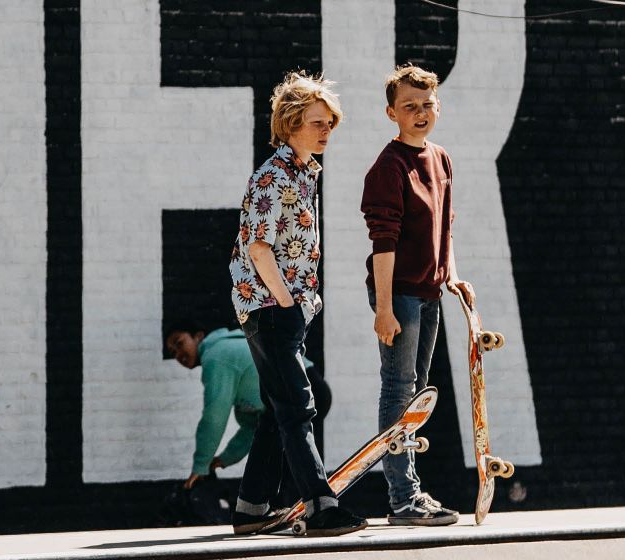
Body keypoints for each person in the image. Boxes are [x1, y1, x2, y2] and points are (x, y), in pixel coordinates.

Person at [225, 71, 365, 537]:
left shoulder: (304, 174)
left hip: (285, 312)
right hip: (270, 309)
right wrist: (286, 303)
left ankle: (250, 508)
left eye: (330, 123)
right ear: (289, 124)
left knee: (282, 405)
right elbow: (259, 247)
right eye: (317, 123)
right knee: (298, 404)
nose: (327, 131)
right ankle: (322, 506)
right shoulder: (272, 176)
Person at [360, 64, 473, 526]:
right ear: (392, 113)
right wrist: (384, 309)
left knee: (416, 396)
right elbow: (382, 243)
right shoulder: (388, 167)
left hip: (429, 293)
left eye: (427, 104)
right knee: (398, 389)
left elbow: (445, 223)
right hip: (400, 295)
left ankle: (410, 491)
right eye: (409, 106)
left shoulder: (440, 158)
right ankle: (403, 498)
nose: (420, 113)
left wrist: (452, 275)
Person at [164, 320, 331, 493]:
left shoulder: (215, 357)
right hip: (306, 388)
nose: (178, 354)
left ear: (198, 336)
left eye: (179, 343)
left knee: (287, 465)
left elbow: (214, 416)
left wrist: (200, 465)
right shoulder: (224, 353)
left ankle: (306, 509)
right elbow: (252, 427)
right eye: (173, 352)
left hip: (301, 387)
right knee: (280, 457)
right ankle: (296, 508)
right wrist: (224, 459)